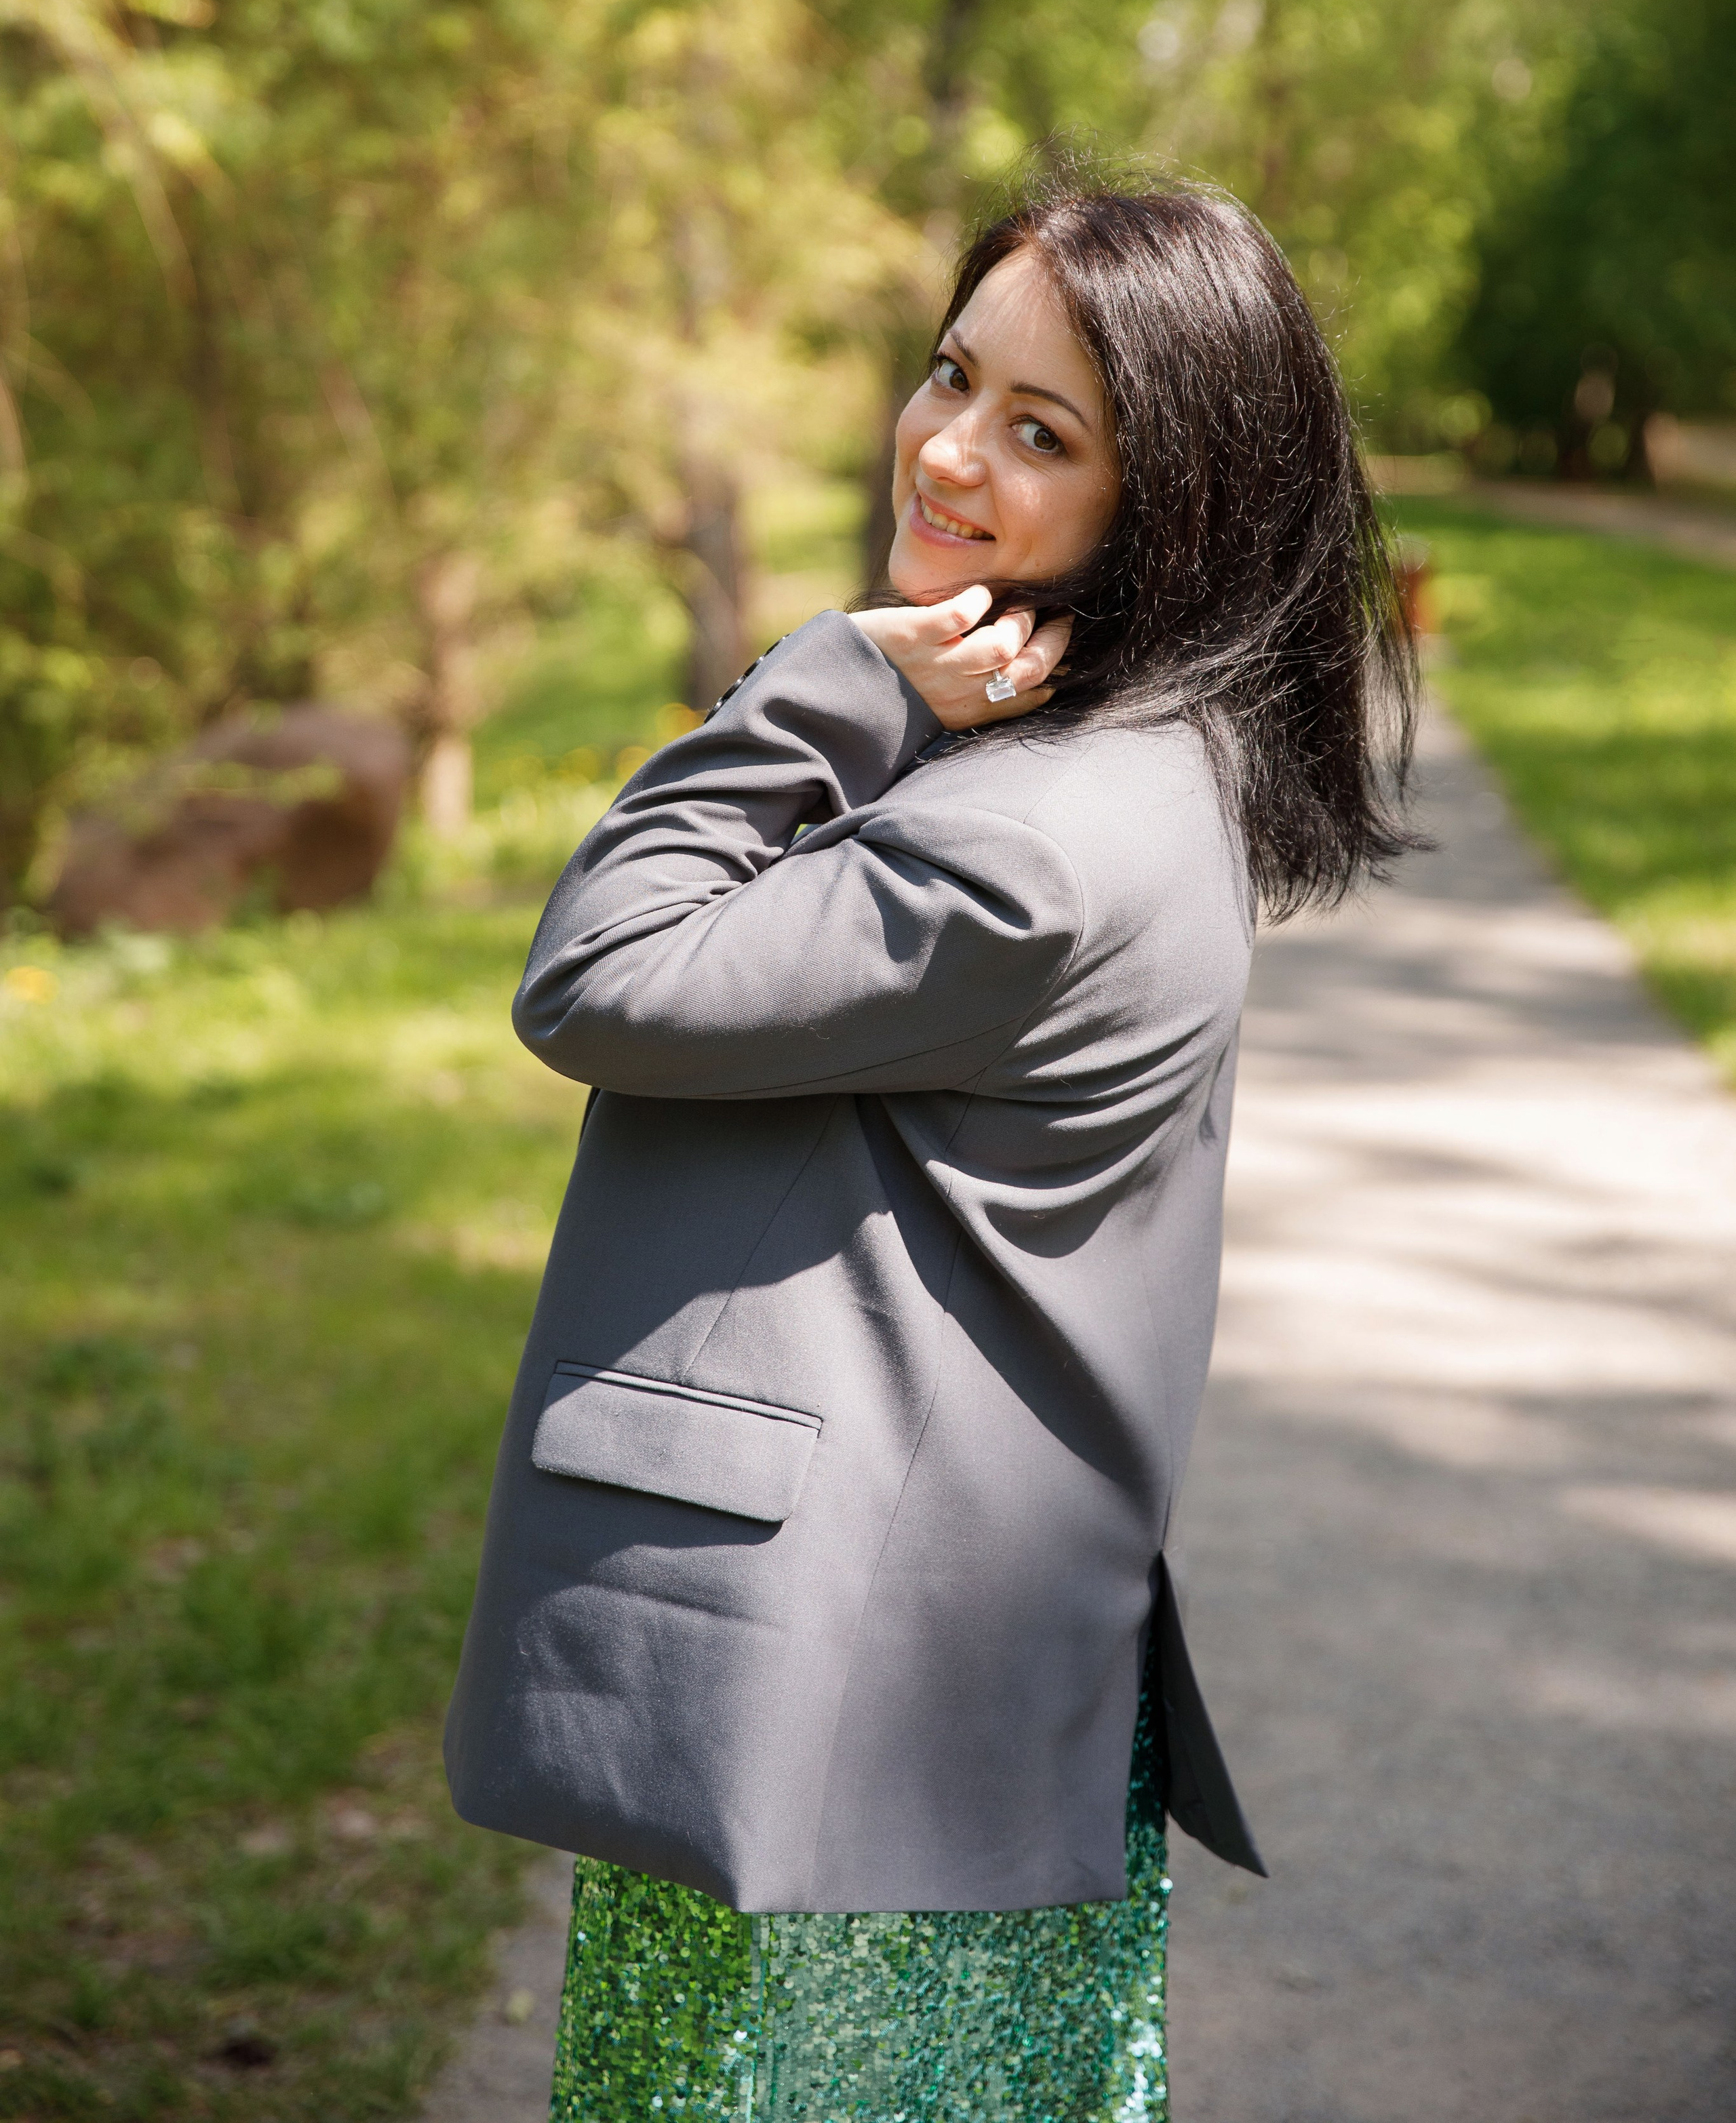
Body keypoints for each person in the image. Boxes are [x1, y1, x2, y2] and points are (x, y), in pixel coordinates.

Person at [443, 171, 1417, 2120]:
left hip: (845, 1788)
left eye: (1041, 432)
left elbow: (595, 971)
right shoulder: (1151, 778)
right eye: (952, 373)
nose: (950, 449)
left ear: (1180, 504)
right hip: (921, 1748)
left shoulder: (1036, 838)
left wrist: (834, 674)